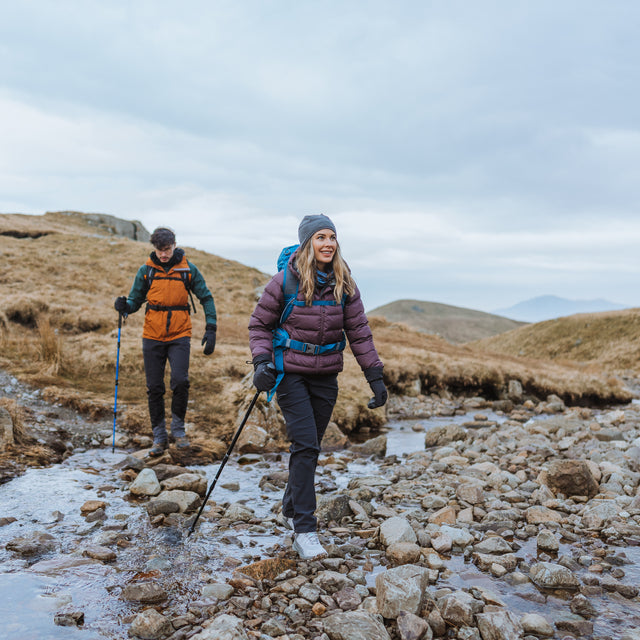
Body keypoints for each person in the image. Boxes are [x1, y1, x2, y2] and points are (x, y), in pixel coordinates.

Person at [248, 214, 387, 560]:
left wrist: (375, 375)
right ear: (307, 243)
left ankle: (290, 506)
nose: (327, 243)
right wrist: (261, 362)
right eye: (320, 237)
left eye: (332, 237)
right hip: (290, 373)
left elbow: (359, 332)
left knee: (309, 449)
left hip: (326, 374)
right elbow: (259, 325)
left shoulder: (345, 284)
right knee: (306, 445)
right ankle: (305, 531)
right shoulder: (284, 282)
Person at [114, 227, 217, 456]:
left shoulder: (188, 269)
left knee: (180, 381)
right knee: (154, 388)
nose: (163, 254)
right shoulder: (146, 271)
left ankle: (178, 431)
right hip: (152, 335)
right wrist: (125, 307)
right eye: (159, 250)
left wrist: (211, 328)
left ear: (174, 245)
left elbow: (206, 297)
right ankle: (159, 437)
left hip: (180, 334)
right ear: (154, 249)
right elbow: (135, 300)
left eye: (167, 249)